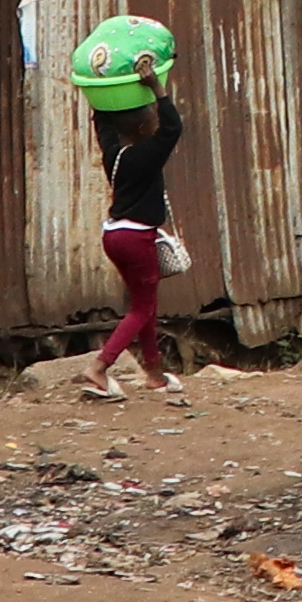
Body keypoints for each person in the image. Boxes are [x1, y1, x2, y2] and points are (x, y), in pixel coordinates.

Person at [78, 23, 184, 400]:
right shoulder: (147, 154)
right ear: (145, 124)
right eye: (151, 113)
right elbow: (173, 128)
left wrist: (103, 88)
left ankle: (154, 374)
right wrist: (155, 86)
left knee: (144, 305)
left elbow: (101, 120)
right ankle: (99, 368)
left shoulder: (115, 152)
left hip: (115, 235)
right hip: (137, 238)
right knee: (142, 309)